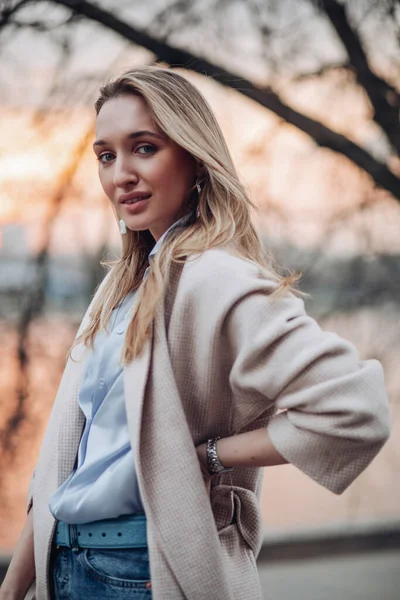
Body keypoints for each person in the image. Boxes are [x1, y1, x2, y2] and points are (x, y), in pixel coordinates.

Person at [0, 65, 391, 600]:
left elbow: (354, 409)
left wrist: (210, 456)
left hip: (141, 573)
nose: (121, 175)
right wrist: (15, 584)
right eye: (106, 156)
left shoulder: (213, 275)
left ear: (194, 156)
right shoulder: (121, 287)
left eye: (144, 148)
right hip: (67, 566)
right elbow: (66, 468)